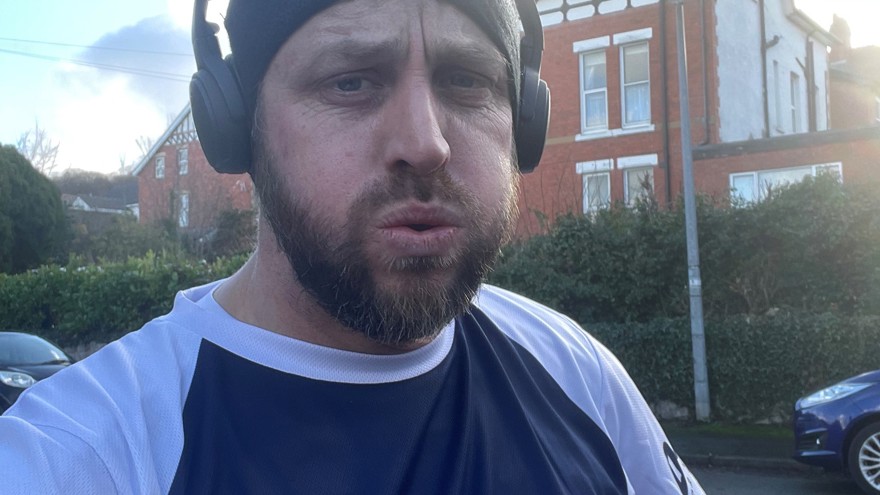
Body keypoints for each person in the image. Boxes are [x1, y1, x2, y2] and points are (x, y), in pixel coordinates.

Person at [1, 0, 705, 493]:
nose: (425, 143)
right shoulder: (85, 454)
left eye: (468, 81)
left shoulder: (578, 373)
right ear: (236, 126)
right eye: (350, 80)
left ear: (521, 119)